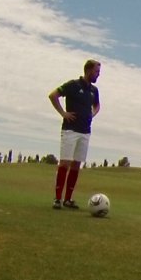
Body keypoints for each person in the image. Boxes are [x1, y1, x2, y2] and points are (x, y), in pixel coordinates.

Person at [49, 59, 101, 209]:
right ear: (89, 70)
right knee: (65, 162)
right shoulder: (73, 85)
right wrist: (63, 113)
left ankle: (68, 199)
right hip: (70, 130)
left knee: (76, 164)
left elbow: (97, 105)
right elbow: (53, 95)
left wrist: (93, 113)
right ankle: (57, 199)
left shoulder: (94, 90)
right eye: (97, 71)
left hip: (85, 131)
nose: (98, 75)